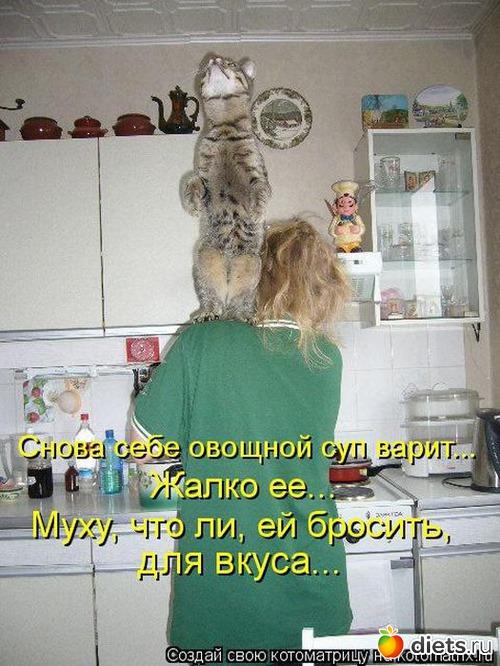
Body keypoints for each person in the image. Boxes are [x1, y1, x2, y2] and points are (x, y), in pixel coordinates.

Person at [132, 218, 353, 659]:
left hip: (224, 601)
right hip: (314, 591)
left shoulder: (203, 342)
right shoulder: (328, 357)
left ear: (253, 274)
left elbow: (145, 450)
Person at [327, 180, 365, 253]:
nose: (346, 207)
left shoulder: (356, 217)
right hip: (341, 243)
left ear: (355, 206)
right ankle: (342, 249)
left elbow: (362, 227)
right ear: (335, 207)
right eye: (342, 203)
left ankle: (355, 249)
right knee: (341, 254)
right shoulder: (336, 218)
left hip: (354, 242)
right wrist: (335, 231)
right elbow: (330, 230)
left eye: (350, 204)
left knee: (356, 252)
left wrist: (359, 229)